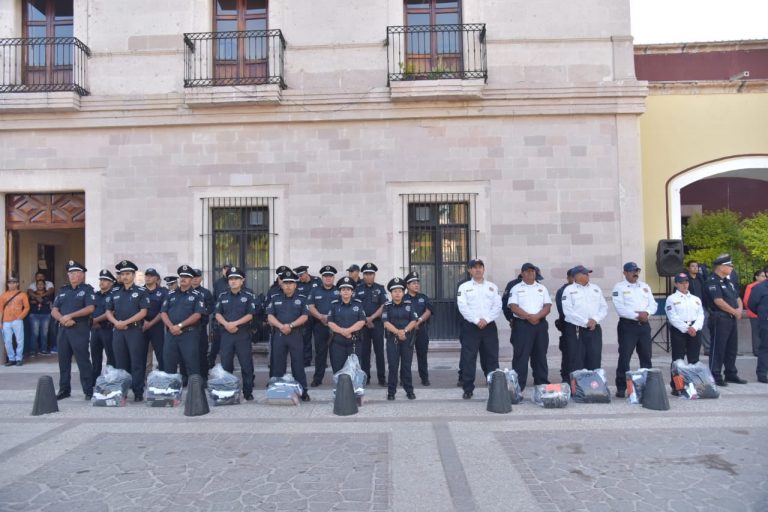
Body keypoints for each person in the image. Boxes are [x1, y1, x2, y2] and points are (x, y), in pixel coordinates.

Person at [456, 258, 502, 399]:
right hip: (471, 327)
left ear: (483, 269)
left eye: (480, 267)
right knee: (469, 358)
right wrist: (476, 320)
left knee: (491, 358)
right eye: (474, 267)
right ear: (469, 270)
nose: (477, 269)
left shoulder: (492, 287)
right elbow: (463, 306)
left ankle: (494, 387)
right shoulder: (464, 287)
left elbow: (497, 306)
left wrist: (486, 320)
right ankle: (468, 388)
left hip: (489, 327)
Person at [611, 262, 657, 398]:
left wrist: (647, 313)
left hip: (644, 325)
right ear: (625, 273)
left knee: (646, 356)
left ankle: (647, 386)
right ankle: (621, 387)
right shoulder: (619, 287)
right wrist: (638, 315)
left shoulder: (644, 286)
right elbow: (620, 308)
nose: (635, 273)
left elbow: (653, 304)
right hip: (628, 326)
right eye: (632, 271)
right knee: (625, 357)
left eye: (637, 270)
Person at [106, 260, 150, 402]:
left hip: (134, 331)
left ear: (133, 275)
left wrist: (125, 322)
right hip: (118, 331)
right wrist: (116, 323)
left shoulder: (141, 292)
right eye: (122, 274)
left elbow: (143, 312)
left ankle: (138, 392)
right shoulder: (115, 292)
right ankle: (122, 391)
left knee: (136, 361)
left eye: (127, 274)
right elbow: (108, 311)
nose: (124, 277)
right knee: (120, 362)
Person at [51, 261, 95, 400]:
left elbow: (90, 308)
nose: (73, 275)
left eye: (76, 273)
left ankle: (88, 390)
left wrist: (70, 316)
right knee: (63, 361)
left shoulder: (87, 290)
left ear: (82, 275)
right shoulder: (63, 290)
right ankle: (64, 390)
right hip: (63, 329)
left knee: (83, 360)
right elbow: (54, 309)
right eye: (70, 273)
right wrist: (62, 319)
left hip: (79, 329)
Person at [214, 266, 259, 400]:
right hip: (226, 334)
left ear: (242, 280)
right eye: (231, 279)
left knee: (246, 365)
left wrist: (235, 323)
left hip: (242, 334)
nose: (233, 281)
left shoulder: (249, 295)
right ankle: (228, 392)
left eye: (236, 279)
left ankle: (248, 392)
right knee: (226, 364)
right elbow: (217, 314)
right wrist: (227, 324)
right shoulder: (222, 295)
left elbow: (251, 315)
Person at [266, 269, 311, 401]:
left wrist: (290, 326)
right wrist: (281, 326)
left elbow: (305, 317)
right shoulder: (275, 298)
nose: (288, 285)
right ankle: (277, 392)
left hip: (295, 335)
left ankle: (303, 392)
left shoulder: (302, 298)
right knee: (278, 365)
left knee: (298, 365)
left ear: (295, 284)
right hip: (279, 335)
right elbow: (270, 316)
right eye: (285, 283)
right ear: (281, 284)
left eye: (291, 283)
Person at [507, 262, 552, 392]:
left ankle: (542, 383)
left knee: (540, 355)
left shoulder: (542, 288)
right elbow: (513, 306)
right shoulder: (516, 288)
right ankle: (518, 386)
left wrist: (537, 317)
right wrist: (528, 316)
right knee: (521, 356)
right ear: (522, 273)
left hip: (540, 325)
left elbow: (547, 306)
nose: (531, 273)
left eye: (532, 271)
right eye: (527, 271)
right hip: (523, 325)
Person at [704, 254, 747, 386]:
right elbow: (718, 301)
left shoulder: (728, 282)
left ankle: (730, 373)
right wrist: (734, 311)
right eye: (729, 266)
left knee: (731, 348)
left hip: (731, 318)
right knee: (718, 348)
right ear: (721, 267)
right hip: (720, 318)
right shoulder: (712, 281)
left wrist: (739, 309)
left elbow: (737, 297)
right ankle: (715, 375)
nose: (732, 268)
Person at [160, 265, 206, 379]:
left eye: (186, 277)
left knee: (192, 365)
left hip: (189, 334)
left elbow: (197, 315)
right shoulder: (170, 294)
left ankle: (195, 394)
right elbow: (163, 313)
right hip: (171, 334)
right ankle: (171, 394)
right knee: (169, 364)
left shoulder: (197, 295)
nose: (183, 279)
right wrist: (171, 327)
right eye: (181, 276)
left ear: (191, 280)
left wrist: (179, 326)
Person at [561, 265, 608, 375]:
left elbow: (604, 307)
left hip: (594, 328)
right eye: (585, 273)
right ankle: (578, 389)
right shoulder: (569, 290)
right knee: (576, 360)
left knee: (595, 358)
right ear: (576, 276)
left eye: (588, 273)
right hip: (576, 329)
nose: (588, 275)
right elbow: (568, 311)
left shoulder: (595, 288)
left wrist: (595, 320)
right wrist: (585, 322)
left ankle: (593, 388)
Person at [665, 272, 705, 393]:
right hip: (679, 330)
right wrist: (686, 328)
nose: (684, 285)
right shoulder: (671, 299)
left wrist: (695, 327)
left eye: (686, 282)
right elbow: (672, 317)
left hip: (694, 329)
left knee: (694, 359)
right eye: (681, 283)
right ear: (676, 284)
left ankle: (693, 384)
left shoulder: (695, 299)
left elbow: (701, 315)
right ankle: (677, 386)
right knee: (678, 360)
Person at [383, 277, 419, 400]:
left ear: (403, 292)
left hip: (407, 339)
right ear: (391, 293)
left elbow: (414, 320)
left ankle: (409, 390)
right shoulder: (387, 306)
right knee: (393, 366)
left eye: (399, 291)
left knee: (406, 366)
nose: (397, 293)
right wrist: (398, 332)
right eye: (395, 291)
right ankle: (391, 392)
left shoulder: (409, 305)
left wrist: (404, 331)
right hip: (392, 339)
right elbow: (385, 322)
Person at [356, 262, 388, 386]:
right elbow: (357, 306)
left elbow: (384, 305)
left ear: (374, 275)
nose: (369, 276)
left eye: (371, 274)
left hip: (377, 325)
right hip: (363, 326)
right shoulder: (358, 289)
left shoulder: (380, 288)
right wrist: (366, 320)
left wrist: (372, 318)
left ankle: (381, 378)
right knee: (364, 353)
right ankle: (366, 378)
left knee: (379, 352)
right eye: (367, 274)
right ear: (363, 276)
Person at [307, 265, 340, 387]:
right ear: (322, 277)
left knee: (336, 354)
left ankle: (338, 379)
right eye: (325, 276)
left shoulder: (339, 290)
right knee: (320, 354)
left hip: (335, 327)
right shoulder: (315, 290)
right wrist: (321, 317)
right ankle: (318, 379)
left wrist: (330, 319)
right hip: (319, 326)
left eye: (330, 276)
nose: (328, 278)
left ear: (333, 277)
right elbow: (310, 306)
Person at [327, 276, 367, 373]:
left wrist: (349, 331)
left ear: (352, 292)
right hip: (337, 343)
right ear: (340, 292)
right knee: (338, 368)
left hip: (354, 342)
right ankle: (339, 388)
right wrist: (343, 332)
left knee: (354, 369)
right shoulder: (334, 305)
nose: (345, 292)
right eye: (343, 289)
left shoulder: (358, 304)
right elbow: (330, 322)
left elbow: (362, 321)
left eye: (348, 289)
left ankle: (354, 388)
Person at [405, 271, 433, 386]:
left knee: (422, 355)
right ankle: (404, 378)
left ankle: (424, 378)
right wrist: (411, 325)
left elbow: (429, 311)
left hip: (421, 330)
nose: (416, 285)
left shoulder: (423, 297)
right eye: (413, 283)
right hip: (407, 331)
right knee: (406, 356)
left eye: (417, 283)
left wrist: (419, 321)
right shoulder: (403, 298)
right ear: (407, 285)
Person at [91, 269, 117, 376]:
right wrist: (92, 321)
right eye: (101, 279)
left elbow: (112, 312)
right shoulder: (95, 295)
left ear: (111, 282)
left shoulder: (114, 295)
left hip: (107, 329)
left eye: (105, 280)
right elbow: (90, 309)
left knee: (111, 356)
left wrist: (95, 320)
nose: (102, 282)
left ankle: (110, 378)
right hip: (95, 329)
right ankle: (95, 378)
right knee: (95, 355)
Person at [142, 268, 168, 372]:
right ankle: (145, 377)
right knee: (143, 354)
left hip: (157, 326)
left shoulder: (163, 292)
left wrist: (151, 323)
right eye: (146, 276)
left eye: (151, 276)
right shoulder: (140, 291)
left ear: (156, 278)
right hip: (142, 325)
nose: (148, 278)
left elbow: (163, 310)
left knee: (160, 353)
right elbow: (136, 309)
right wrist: (144, 321)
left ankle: (162, 376)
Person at [295, 265, 321, 367]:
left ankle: (320, 361)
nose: (300, 278)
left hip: (317, 314)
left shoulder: (317, 281)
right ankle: (306, 360)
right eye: (299, 276)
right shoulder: (297, 284)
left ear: (306, 273)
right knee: (306, 339)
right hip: (305, 315)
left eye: (301, 275)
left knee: (319, 339)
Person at [1, 276, 30, 366]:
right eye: (10, 282)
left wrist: (20, 317)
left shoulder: (22, 294)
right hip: (6, 321)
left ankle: (19, 358)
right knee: (7, 341)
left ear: (17, 284)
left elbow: (27, 307)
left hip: (17, 320)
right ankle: (11, 358)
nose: (12, 284)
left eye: (14, 282)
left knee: (19, 340)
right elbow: (1, 309)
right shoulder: (3, 295)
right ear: (7, 284)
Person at [192, 268, 215, 379]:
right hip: (186, 329)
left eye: (197, 277)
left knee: (202, 354)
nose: (195, 280)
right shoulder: (184, 292)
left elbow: (211, 308)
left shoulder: (205, 293)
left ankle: (204, 377)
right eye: (193, 277)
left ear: (201, 278)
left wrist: (201, 312)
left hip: (200, 327)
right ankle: (187, 377)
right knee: (187, 354)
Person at [208, 263, 232, 369]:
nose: (226, 271)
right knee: (216, 344)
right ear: (222, 270)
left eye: (229, 269)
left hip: (232, 318)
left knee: (228, 346)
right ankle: (211, 362)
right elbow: (214, 300)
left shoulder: (235, 281)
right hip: (219, 318)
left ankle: (227, 366)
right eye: (225, 269)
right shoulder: (218, 283)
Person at [554, 268, 576, 382]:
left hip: (583, 327)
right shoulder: (563, 291)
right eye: (573, 276)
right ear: (568, 278)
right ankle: (567, 378)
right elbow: (563, 311)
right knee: (568, 353)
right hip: (568, 326)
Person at [686, 260, 711, 355]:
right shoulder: (686, 280)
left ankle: (707, 348)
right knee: (690, 326)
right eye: (693, 266)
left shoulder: (701, 279)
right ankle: (688, 348)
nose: (695, 268)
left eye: (696, 266)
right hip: (689, 307)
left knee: (704, 326)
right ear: (688, 268)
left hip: (702, 306)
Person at [747, 276, 768, 383]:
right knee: (765, 347)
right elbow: (751, 304)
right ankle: (763, 374)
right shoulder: (760, 288)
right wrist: (763, 315)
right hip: (766, 322)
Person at [744, 269, 766, 357]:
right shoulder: (751, 286)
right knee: (756, 332)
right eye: (762, 276)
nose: (764, 278)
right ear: (756, 277)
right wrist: (755, 311)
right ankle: (756, 350)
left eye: (765, 276)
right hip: (754, 313)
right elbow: (746, 301)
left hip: (764, 314)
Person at [28, 279, 52, 356]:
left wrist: (39, 299)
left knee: (44, 333)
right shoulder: (32, 293)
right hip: (34, 315)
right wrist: (40, 300)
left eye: (42, 284)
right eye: (38, 284)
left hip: (46, 315)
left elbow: (48, 302)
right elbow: (31, 302)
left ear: (45, 285)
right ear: (36, 286)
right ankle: (33, 351)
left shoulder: (48, 293)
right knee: (35, 333)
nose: (40, 285)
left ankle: (43, 350)